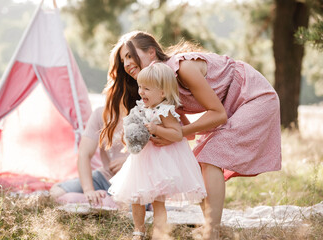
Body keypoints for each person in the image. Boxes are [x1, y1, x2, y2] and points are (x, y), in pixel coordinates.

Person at [100, 31, 281, 239]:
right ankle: (210, 228)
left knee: (211, 155)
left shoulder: (182, 68)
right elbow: (180, 129)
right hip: (231, 104)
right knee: (195, 165)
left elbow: (217, 115)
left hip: (254, 96)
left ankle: (211, 233)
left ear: (151, 52)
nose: (127, 63)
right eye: (123, 60)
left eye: (130, 55)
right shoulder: (160, 87)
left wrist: (175, 133)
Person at [108, 62, 207, 240]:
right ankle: (138, 231)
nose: (141, 92)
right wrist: (129, 133)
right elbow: (134, 127)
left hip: (161, 161)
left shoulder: (165, 111)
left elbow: (177, 134)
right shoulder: (141, 108)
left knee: (158, 200)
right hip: (142, 160)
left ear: (162, 93)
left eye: (146, 88)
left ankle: (159, 233)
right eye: (140, 87)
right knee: (136, 197)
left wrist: (156, 129)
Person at [50, 106, 128, 206]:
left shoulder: (147, 115)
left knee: (125, 206)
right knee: (56, 192)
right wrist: (88, 190)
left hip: (133, 186)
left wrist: (129, 163)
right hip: (104, 178)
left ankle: (101, 201)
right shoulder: (102, 113)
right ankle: (98, 200)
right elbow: (84, 154)